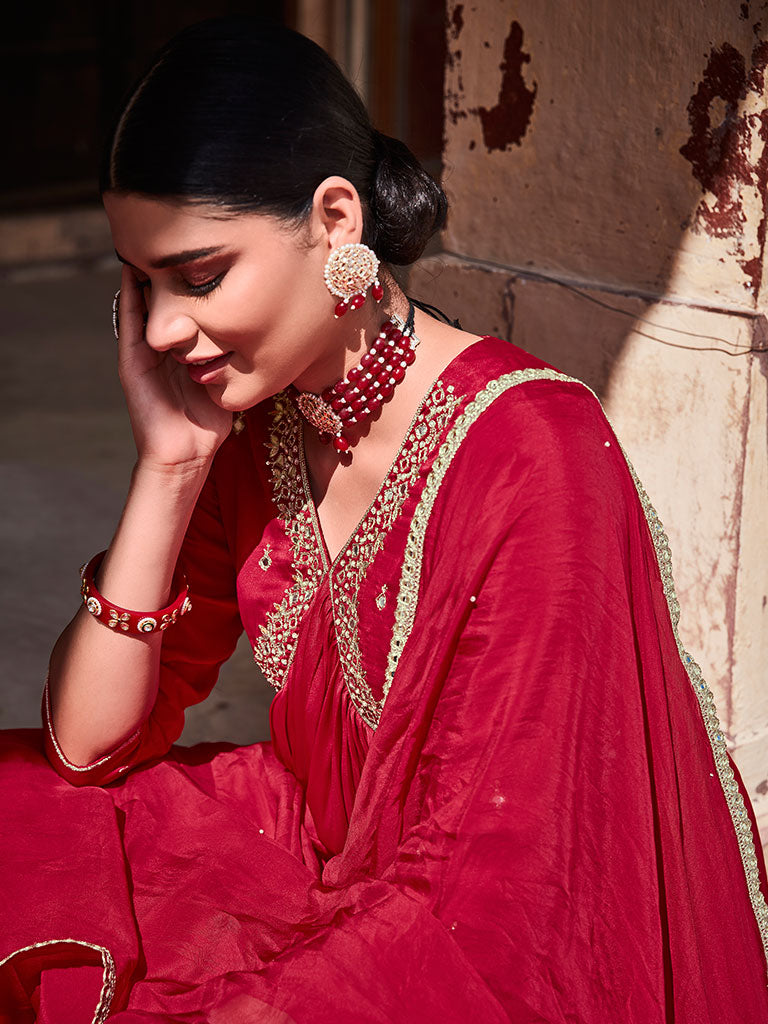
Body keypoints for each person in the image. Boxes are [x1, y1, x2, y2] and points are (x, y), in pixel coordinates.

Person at [1, 16, 767, 1023]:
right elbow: (89, 745)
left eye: (198, 277)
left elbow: (507, 898)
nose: (158, 330)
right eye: (139, 283)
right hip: (321, 855)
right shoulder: (261, 427)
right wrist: (170, 464)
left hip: (478, 931)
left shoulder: (536, 453)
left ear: (335, 220)